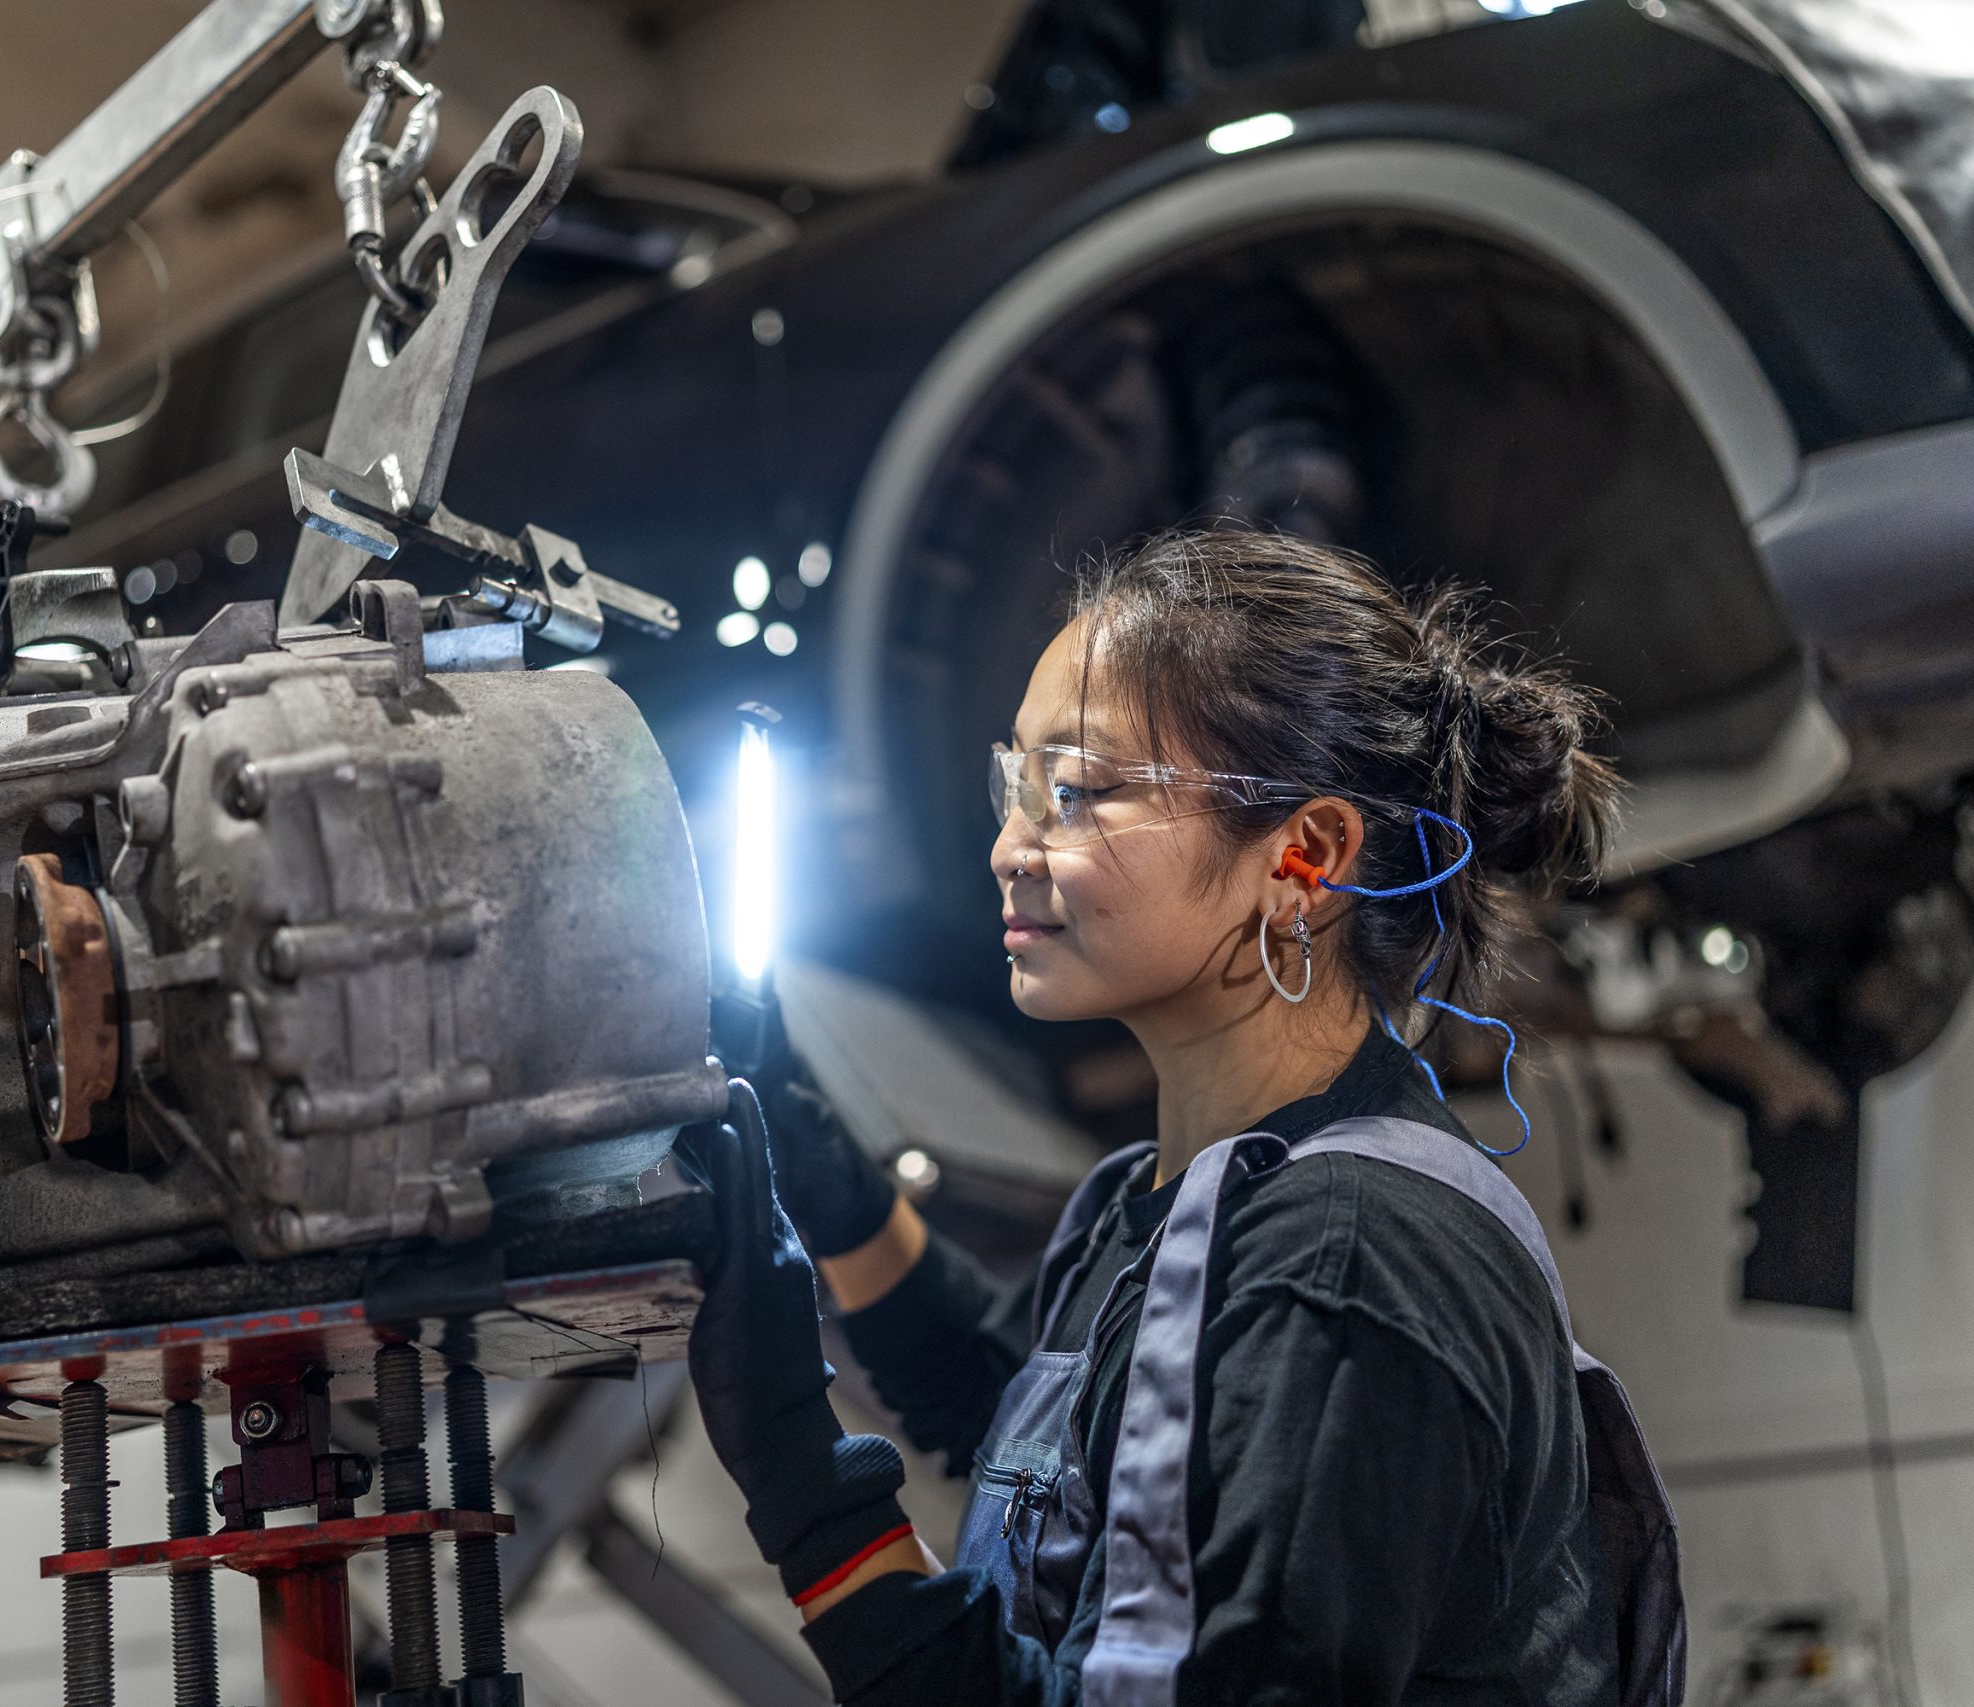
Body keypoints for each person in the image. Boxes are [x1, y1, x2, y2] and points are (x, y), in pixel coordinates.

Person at [685, 530, 1634, 1705]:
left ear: (1303, 857)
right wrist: (830, 1188)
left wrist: (795, 1468)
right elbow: (1049, 1461)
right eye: (1014, 784)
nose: (1007, 848)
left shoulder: (1339, 1267)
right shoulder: (1165, 1207)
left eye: (1075, 793)